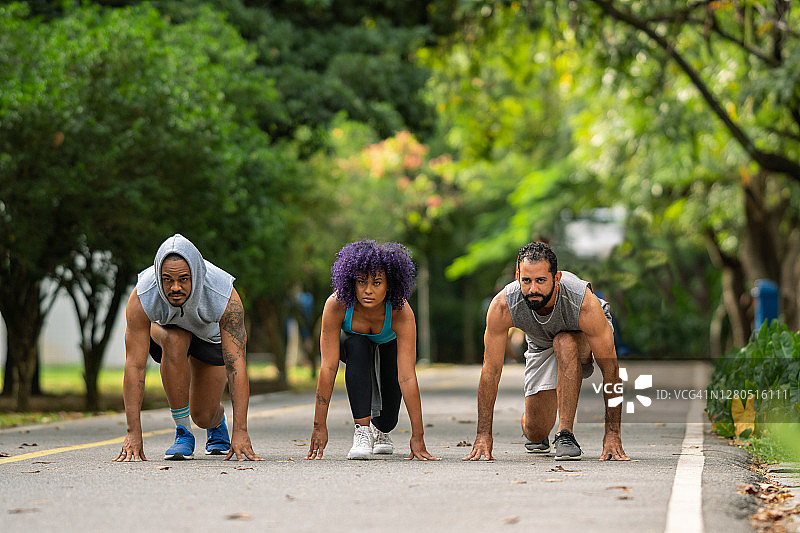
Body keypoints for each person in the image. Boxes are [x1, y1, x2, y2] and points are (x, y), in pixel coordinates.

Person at [464, 241, 629, 462]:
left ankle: (565, 435)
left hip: (581, 336)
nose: (533, 289)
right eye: (526, 280)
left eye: (541, 280)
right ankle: (537, 429)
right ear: (517, 277)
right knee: (535, 431)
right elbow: (490, 370)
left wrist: (612, 434)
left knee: (565, 341)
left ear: (556, 278)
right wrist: (483, 434)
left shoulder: (583, 303)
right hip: (540, 342)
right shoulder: (503, 305)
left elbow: (611, 370)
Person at [114, 234, 262, 462]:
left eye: (183, 279)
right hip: (167, 330)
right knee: (175, 340)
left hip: (209, 337)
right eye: (167, 280)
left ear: (196, 275)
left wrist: (240, 431)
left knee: (203, 416)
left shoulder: (223, 295)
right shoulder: (143, 295)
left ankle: (217, 422)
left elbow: (236, 364)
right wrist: (133, 433)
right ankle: (183, 432)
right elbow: (135, 365)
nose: (175, 287)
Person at [306, 240, 439, 461]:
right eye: (361, 282)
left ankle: (379, 430)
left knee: (387, 421)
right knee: (358, 345)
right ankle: (362, 431)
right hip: (353, 348)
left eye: (377, 283)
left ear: (389, 285)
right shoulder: (337, 304)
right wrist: (319, 425)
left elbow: (407, 377)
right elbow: (328, 368)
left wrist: (418, 436)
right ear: (351, 281)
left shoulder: (400, 311)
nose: (368, 290)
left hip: (389, 346)